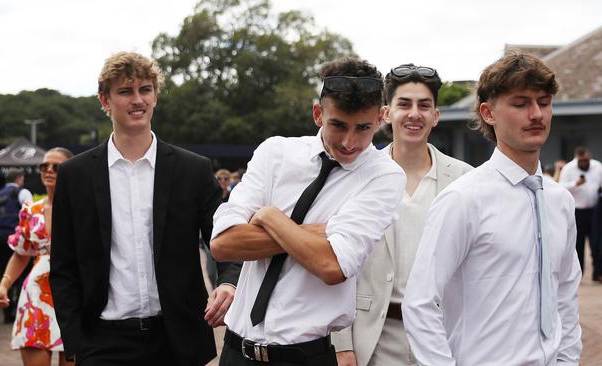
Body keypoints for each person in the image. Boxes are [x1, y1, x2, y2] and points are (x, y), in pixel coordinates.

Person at [49, 51, 241, 366]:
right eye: (125, 91)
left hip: (177, 339)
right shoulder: (75, 175)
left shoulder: (193, 169)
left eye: (145, 89)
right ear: (104, 100)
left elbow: (225, 239)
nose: (137, 99)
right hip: (102, 341)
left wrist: (228, 282)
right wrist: (75, 340)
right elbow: (63, 265)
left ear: (155, 96)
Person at [210, 57, 406, 365]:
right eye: (338, 125)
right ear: (318, 113)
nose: (349, 141)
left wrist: (270, 217)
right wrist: (317, 232)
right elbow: (223, 244)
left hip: (306, 355)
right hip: (237, 352)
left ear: (382, 118)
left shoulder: (385, 176)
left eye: (364, 128)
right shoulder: (275, 152)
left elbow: (331, 266)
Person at [402, 52, 582, 365]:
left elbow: (565, 294)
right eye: (521, 103)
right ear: (488, 112)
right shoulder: (463, 199)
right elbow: (419, 303)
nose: (537, 114)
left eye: (544, 101)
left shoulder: (560, 201)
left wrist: (567, 360)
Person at [332, 64, 472, 366]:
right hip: (376, 338)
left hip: (443, 335)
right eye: (404, 104)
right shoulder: (357, 177)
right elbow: (338, 262)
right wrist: (341, 343)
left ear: (436, 116)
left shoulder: (465, 179)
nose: (414, 114)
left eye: (424, 106)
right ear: (386, 113)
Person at [0, 148, 74, 366]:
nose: (48, 170)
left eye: (56, 167)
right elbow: (21, 255)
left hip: (74, 297)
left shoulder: (84, 209)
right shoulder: (31, 210)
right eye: (44, 166)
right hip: (35, 298)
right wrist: (4, 285)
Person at [0, 167, 33, 323]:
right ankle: (19, 310)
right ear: (19, 179)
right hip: (18, 239)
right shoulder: (23, 193)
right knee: (24, 274)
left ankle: (7, 313)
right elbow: (30, 214)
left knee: (4, 272)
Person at [559, 146, 602, 284]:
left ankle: (598, 274)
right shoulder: (569, 169)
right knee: (577, 246)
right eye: (581, 161)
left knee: (598, 243)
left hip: (595, 211)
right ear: (577, 159)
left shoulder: (598, 166)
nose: (584, 163)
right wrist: (575, 183)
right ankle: (578, 276)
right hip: (577, 212)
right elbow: (560, 187)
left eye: (586, 160)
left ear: (589, 158)